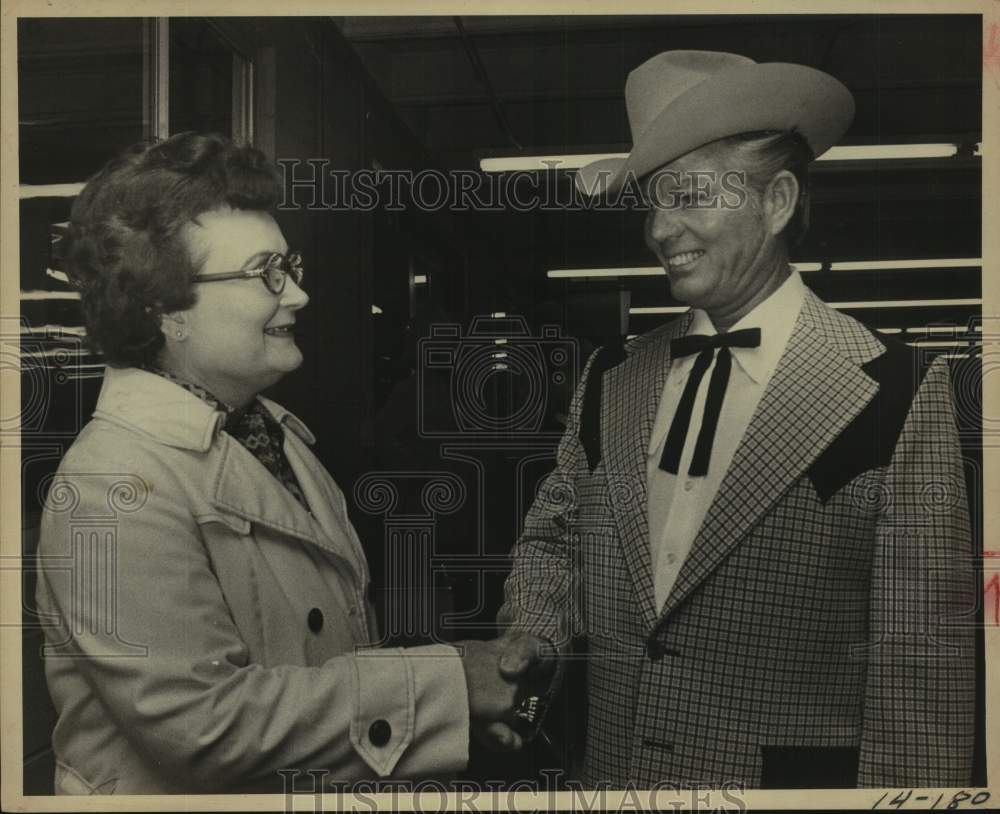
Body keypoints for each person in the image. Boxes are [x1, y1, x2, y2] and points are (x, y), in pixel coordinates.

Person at [496, 51, 976, 788]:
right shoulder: (610, 380)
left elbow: (923, 669)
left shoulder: (898, 391)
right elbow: (553, 541)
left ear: (777, 200)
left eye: (687, 196)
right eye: (651, 202)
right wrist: (536, 630)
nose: (660, 229)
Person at [34, 132, 537, 794]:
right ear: (163, 309)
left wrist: (442, 714)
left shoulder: (270, 434)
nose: (297, 294)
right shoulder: (114, 484)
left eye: (290, 266)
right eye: (265, 272)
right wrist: (444, 689)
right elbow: (203, 728)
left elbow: (317, 656)